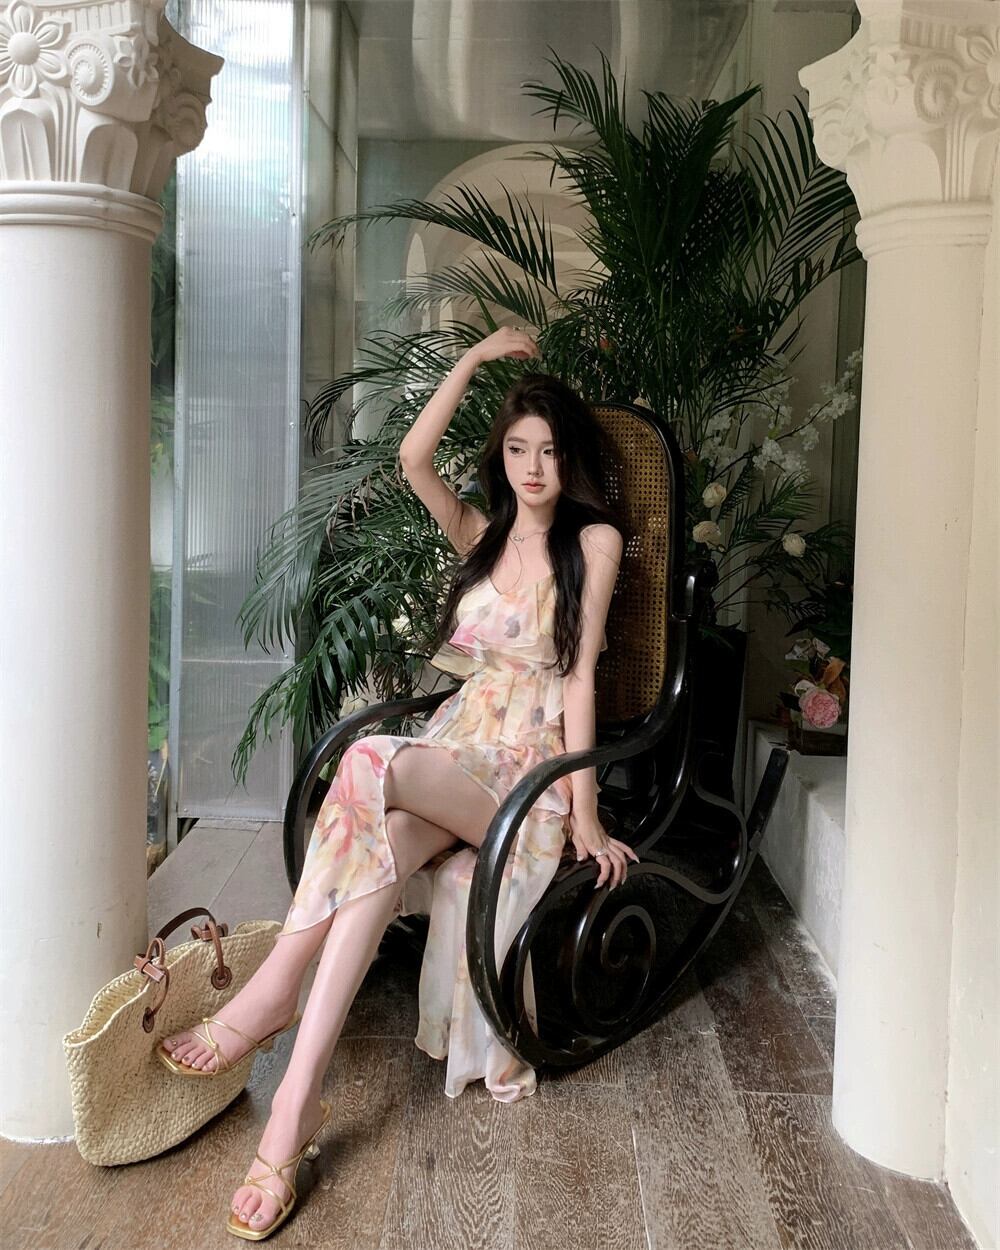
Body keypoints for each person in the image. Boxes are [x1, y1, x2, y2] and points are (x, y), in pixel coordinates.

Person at [157, 326, 637, 1240]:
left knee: (367, 758)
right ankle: (294, 1106)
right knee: (371, 862)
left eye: (548, 450)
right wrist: (471, 362)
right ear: (502, 458)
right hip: (460, 749)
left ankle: (273, 989)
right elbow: (414, 458)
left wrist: (586, 810)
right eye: (518, 449)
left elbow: (579, 678)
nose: (533, 467)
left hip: (524, 778)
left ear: (568, 458)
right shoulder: (479, 534)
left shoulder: (595, 542)